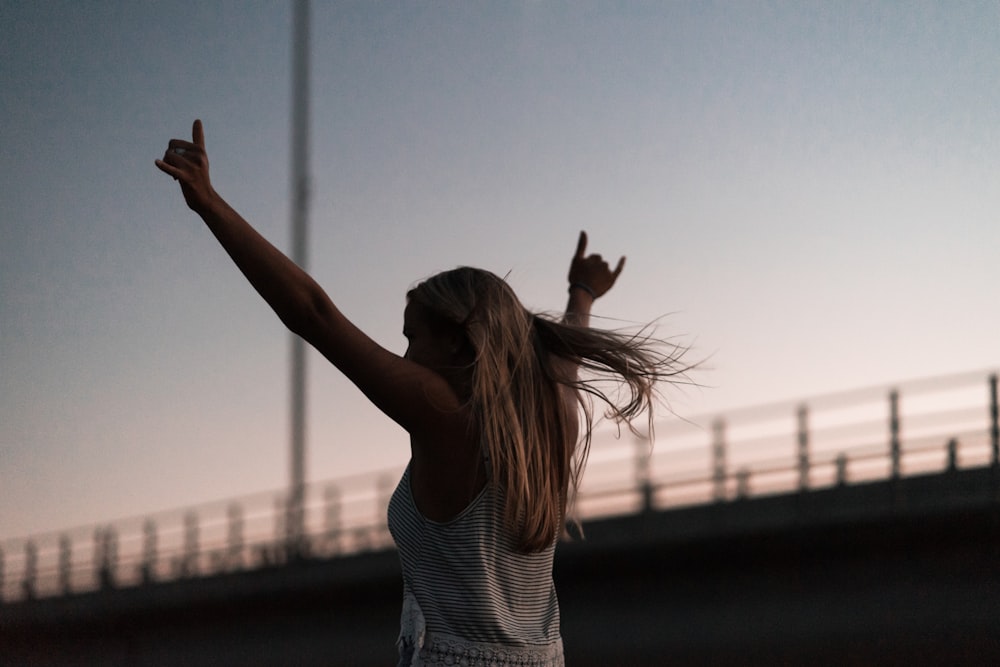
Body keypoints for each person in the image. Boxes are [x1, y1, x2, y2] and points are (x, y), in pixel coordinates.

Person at [156, 120, 689, 667]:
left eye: (414, 339)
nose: (405, 359)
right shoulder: (556, 415)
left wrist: (210, 206)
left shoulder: (447, 418)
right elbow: (566, 356)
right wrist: (582, 292)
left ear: (463, 344)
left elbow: (314, 314)